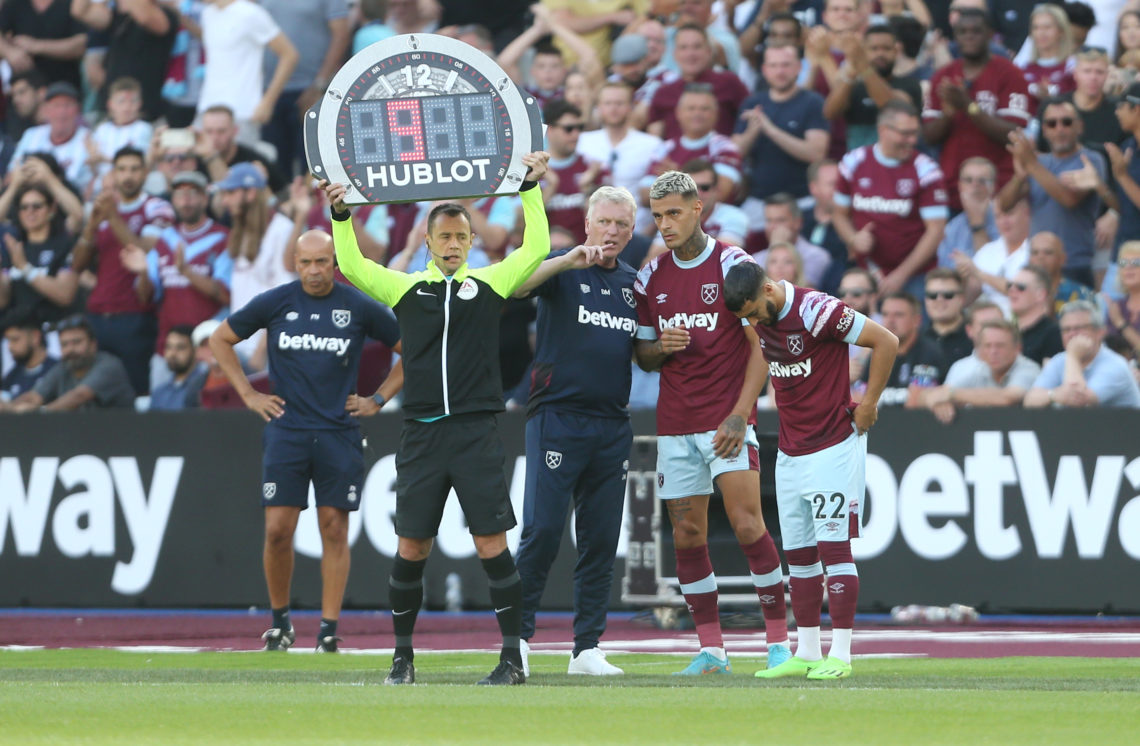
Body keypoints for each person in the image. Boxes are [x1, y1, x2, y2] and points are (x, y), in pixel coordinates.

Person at [324, 151, 552, 686]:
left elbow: (538, 247)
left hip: (476, 433)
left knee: (492, 546)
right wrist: (341, 217)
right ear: (427, 242)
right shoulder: (406, 288)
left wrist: (529, 191)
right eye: (443, 236)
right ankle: (402, 658)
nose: (452, 244)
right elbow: (353, 266)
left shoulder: (490, 283)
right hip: (422, 435)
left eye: (460, 235)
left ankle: (512, 659)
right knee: (412, 547)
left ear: (472, 241)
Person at [209, 229, 403, 653]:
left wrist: (378, 400)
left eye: (321, 262)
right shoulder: (277, 301)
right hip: (287, 430)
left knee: (334, 529)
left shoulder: (356, 305)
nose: (314, 271)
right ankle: (280, 623)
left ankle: (329, 628)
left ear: (335, 262)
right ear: (294, 264)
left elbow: (413, 349)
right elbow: (219, 339)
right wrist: (248, 394)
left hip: (339, 431)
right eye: (305, 263)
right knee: (278, 530)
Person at [634, 170, 789, 676]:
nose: (665, 225)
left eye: (674, 213)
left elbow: (760, 348)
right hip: (675, 425)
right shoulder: (650, 276)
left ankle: (778, 644)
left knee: (748, 525)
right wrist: (661, 348)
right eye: (657, 217)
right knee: (687, 535)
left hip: (724, 422)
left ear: (699, 209)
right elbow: (642, 354)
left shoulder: (733, 264)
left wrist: (741, 415)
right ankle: (711, 651)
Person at [723, 257, 898, 681]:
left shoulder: (819, 311)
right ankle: (805, 650)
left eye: (750, 314)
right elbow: (764, 355)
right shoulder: (758, 316)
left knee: (834, 549)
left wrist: (870, 402)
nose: (750, 323)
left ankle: (841, 654)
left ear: (767, 291)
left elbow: (886, 340)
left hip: (833, 445)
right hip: (790, 447)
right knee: (799, 556)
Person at [513, 187, 639, 677]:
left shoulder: (633, 283)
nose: (611, 232)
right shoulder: (560, 267)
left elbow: (642, 351)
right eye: (604, 222)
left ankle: (586, 647)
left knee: (601, 537)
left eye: (621, 226)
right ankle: (517, 640)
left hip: (612, 422)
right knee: (542, 531)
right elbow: (518, 286)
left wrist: (664, 346)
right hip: (556, 417)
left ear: (631, 232)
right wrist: (566, 260)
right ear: (588, 222)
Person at [72, 146, 175, 395]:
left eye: (134, 169)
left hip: (136, 314)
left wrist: (113, 216)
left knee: (135, 388)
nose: (128, 176)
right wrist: (91, 228)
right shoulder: (105, 209)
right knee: (94, 392)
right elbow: (77, 265)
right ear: (114, 174)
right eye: (122, 170)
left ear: (145, 173)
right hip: (97, 314)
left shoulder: (157, 207)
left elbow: (143, 252)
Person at [120, 170, 231, 391]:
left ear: (205, 199)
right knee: (161, 419)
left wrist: (186, 271)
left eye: (193, 193)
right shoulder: (164, 240)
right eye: (179, 194)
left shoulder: (223, 238)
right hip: (167, 351)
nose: (186, 200)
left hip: (208, 349)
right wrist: (143, 272)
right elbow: (145, 297)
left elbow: (226, 294)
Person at [834, 100, 949, 298]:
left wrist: (901, 274)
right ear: (883, 130)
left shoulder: (926, 170)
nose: (912, 140)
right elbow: (838, 214)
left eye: (915, 133)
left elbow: (936, 231)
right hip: (867, 274)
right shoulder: (853, 162)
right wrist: (853, 239)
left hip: (915, 277)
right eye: (905, 133)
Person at [923, 8, 1031, 210]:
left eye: (976, 31)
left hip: (999, 187)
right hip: (953, 188)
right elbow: (928, 136)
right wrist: (948, 114)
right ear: (955, 36)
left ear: (990, 34)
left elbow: (1013, 133)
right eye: (962, 32)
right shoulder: (943, 76)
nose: (969, 36)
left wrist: (969, 106)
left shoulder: (1010, 73)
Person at [1000, 99, 1105, 287]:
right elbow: (1004, 205)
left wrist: (1031, 164)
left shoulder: (1091, 159)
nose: (1059, 129)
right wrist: (1019, 177)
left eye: (1066, 122)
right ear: (1045, 130)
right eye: (1051, 123)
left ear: (1079, 127)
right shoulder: (1038, 163)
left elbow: (1069, 199)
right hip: (1037, 265)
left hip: (1074, 264)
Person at [734, 44, 829, 223]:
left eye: (786, 65)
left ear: (798, 68)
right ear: (764, 70)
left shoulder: (813, 102)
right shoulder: (752, 102)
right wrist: (753, 131)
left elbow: (816, 153)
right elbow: (734, 153)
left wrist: (769, 129)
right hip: (758, 200)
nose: (780, 71)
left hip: (801, 201)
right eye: (774, 66)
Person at [915, 319, 1041, 423]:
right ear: (979, 349)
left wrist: (952, 395)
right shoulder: (978, 369)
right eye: (988, 345)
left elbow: (1007, 398)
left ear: (1017, 348)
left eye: (1000, 345)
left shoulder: (1028, 369)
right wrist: (938, 403)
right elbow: (925, 397)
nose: (993, 352)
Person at [0, 315, 134, 412]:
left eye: (77, 342)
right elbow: (35, 396)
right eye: (64, 344)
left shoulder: (109, 365)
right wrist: (10, 407)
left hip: (119, 437)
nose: (70, 350)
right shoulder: (63, 367)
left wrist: (40, 412)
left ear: (93, 344)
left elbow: (79, 396)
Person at [821, 24, 924, 149]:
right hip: (860, 164)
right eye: (874, 49)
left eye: (886, 49)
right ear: (864, 51)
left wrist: (864, 66)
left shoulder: (910, 84)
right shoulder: (854, 86)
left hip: (898, 163)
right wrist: (852, 70)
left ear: (896, 51)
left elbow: (890, 108)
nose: (880, 54)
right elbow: (829, 113)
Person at [1024, 299, 1140, 407]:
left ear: (1100, 332)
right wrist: (1054, 395)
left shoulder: (1115, 365)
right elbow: (1030, 401)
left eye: (1079, 328)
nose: (1072, 334)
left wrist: (1073, 356)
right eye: (1066, 329)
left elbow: (1078, 402)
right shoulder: (1059, 360)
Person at [867, 292, 947, 406]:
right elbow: (857, 396)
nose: (890, 320)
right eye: (885, 314)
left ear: (917, 321)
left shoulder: (929, 352)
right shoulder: (877, 352)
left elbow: (915, 401)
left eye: (898, 315)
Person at [953, 197, 1030, 315]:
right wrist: (963, 277)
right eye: (998, 216)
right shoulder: (986, 251)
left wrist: (979, 273)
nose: (1004, 221)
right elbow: (967, 299)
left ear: (1027, 213)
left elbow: (1023, 291)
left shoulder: (1036, 250)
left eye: (1009, 214)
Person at [936, 157, 1000, 269]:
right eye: (968, 180)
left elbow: (993, 269)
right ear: (960, 186)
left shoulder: (1005, 220)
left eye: (982, 181)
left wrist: (977, 223)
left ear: (993, 186)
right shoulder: (952, 227)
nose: (975, 185)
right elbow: (945, 272)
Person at [1026, 230, 1097, 315]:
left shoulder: (1082, 294)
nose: (1041, 257)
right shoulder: (1021, 292)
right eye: (1035, 253)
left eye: (1048, 252)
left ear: (1062, 259)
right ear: (1029, 260)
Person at [1008, 264, 1064, 365]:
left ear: (1040, 295)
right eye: (1009, 285)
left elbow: (1050, 377)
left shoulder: (1054, 334)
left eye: (1020, 287)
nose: (1012, 290)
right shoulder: (1008, 333)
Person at [148, 325, 208, 410]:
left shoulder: (205, 386)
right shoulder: (159, 393)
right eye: (168, 347)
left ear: (195, 351)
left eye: (180, 347)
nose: (172, 354)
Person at [922, 269, 974, 365]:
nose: (939, 300)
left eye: (948, 295)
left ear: (961, 299)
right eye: (932, 295)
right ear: (926, 300)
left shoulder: (975, 337)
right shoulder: (915, 338)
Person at [0, 314, 57, 401]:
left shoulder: (57, 370)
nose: (10, 347)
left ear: (35, 337)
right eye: (8, 340)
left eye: (15, 339)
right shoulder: (11, 376)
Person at [1105, 241, 1140, 363]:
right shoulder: (1117, 306)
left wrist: (1120, 323)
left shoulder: (1116, 314)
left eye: (1136, 263)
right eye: (1123, 263)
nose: (1128, 267)